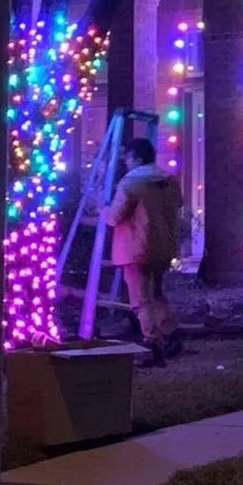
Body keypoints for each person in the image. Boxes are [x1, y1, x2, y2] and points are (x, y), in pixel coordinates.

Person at [103, 137, 184, 363]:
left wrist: (103, 210)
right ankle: (172, 335)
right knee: (157, 294)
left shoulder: (130, 183)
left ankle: (153, 346)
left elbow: (116, 216)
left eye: (128, 158)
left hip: (134, 248)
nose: (126, 163)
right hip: (163, 245)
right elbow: (178, 205)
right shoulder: (169, 180)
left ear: (136, 158)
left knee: (141, 300)